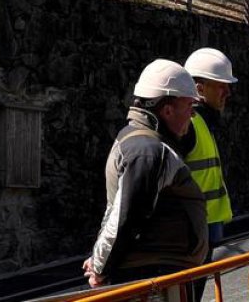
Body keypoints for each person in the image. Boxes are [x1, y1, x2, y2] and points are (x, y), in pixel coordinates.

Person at [83, 59, 209, 294]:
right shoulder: (147, 151)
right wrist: (100, 267)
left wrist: (99, 259)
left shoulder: (146, 144)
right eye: (189, 106)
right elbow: (125, 216)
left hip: (157, 273)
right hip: (153, 278)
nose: (192, 114)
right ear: (168, 110)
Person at [180, 47, 237, 301]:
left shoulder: (203, 123)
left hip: (203, 230)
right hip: (191, 234)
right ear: (199, 89)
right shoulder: (190, 124)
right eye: (221, 86)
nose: (228, 92)